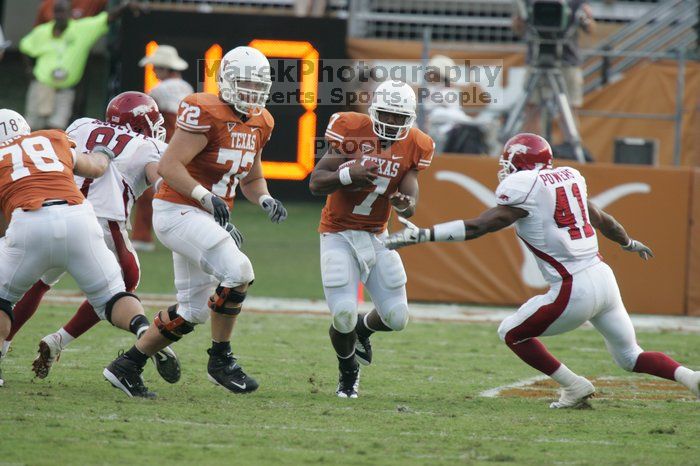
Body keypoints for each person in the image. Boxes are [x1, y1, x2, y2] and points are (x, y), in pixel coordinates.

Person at [384, 132, 700, 408]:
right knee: (630, 356)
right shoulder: (569, 178)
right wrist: (628, 242)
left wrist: (425, 234)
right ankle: (691, 378)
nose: (503, 170)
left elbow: (482, 225)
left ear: (519, 165)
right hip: (603, 277)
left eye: (508, 163)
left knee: (511, 332)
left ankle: (573, 385)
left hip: (572, 286)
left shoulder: (524, 188)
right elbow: (602, 219)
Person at [103, 46, 288, 398]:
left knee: (193, 311)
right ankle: (221, 360)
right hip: (178, 210)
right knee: (239, 271)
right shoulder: (206, 110)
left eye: (257, 85)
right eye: (244, 83)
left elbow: (250, 178)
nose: (251, 92)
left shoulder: (262, 121)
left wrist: (264, 198)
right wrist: (206, 196)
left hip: (205, 216)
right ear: (228, 81)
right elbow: (170, 166)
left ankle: (127, 366)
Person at [2, 92, 181, 385]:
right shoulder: (149, 145)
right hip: (96, 220)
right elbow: (161, 181)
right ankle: (128, 335)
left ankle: (5, 346)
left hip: (50, 208)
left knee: (33, 284)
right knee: (120, 289)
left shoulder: (81, 125)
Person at [309, 80, 435, 398]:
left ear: (409, 118)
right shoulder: (350, 129)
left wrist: (407, 203)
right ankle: (348, 371)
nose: (392, 122)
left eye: (398, 117)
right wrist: (348, 175)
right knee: (342, 314)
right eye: (387, 115)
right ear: (374, 111)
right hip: (337, 233)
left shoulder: (417, 144)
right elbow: (316, 182)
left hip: (377, 236)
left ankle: (362, 331)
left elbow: (411, 192)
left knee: (397, 317)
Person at [18, 0, 139, 130]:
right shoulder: (43, 31)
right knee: (33, 126)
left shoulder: (81, 29)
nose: (60, 15)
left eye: (63, 11)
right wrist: (29, 70)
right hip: (42, 86)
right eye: (57, 12)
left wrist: (126, 5)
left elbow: (107, 18)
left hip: (65, 90)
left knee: (57, 128)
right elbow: (24, 46)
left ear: (71, 13)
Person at [132, 45, 194, 252]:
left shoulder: (157, 91)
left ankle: (141, 236)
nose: (154, 72)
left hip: (164, 145)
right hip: (188, 146)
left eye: (156, 68)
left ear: (165, 69)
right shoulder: (187, 88)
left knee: (149, 190)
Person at [512, 0, 595, 134]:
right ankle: (531, 149)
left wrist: (586, 18)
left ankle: (568, 150)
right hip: (536, 59)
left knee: (569, 109)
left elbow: (590, 28)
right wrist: (519, 21)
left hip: (567, 60)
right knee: (532, 107)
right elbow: (518, 29)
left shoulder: (575, 2)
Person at [34, 0, 107, 25]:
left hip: (80, 49)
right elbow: (36, 34)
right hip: (52, 50)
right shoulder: (48, 4)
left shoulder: (91, 1)